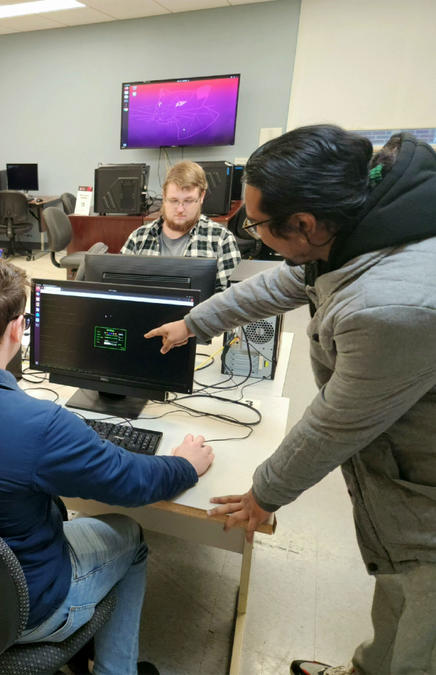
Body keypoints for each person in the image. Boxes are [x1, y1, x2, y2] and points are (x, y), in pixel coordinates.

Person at [144, 126, 436, 675]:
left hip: (427, 493)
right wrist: (192, 324)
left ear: (302, 224)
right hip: (407, 475)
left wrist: (264, 493)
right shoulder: (361, 227)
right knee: (398, 594)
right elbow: (279, 284)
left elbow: (335, 424)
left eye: (256, 224)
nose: (251, 233)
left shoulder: (391, 304)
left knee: (425, 633)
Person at [0, 253, 214, 674]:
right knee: (131, 535)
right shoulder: (40, 424)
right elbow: (134, 483)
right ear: (18, 329)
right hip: (26, 606)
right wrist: (184, 464)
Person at [120, 160, 241, 292]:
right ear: (164, 196)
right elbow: (117, 288)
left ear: (201, 196)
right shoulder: (139, 238)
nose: (180, 209)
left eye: (188, 201)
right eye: (173, 201)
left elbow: (231, 300)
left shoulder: (221, 239)